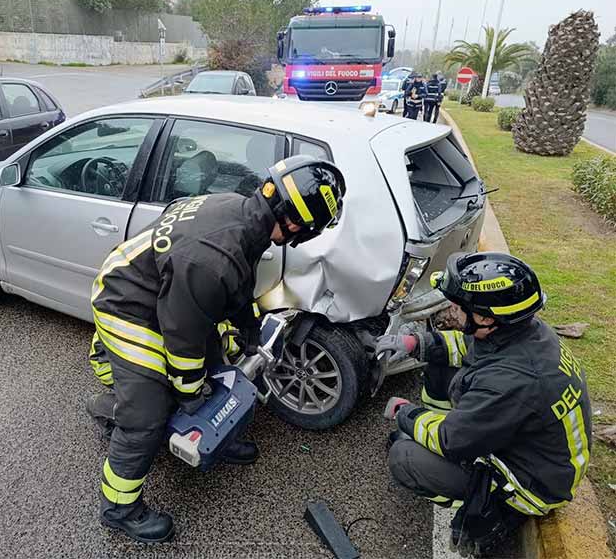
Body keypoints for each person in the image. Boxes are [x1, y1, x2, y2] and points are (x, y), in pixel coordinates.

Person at [86, 155, 346, 544]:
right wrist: (190, 393)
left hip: (167, 292)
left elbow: (235, 282)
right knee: (150, 412)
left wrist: (249, 328)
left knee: (216, 366)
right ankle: (119, 507)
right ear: (295, 225)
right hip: (127, 304)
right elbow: (183, 336)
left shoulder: (243, 214)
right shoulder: (211, 260)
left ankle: (217, 437)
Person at [377, 252, 591, 556]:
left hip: (532, 483)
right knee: (438, 364)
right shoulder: (521, 332)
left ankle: (495, 508)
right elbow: (470, 347)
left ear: (487, 318)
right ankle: (461, 446)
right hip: (537, 450)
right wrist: (418, 344)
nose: (452, 308)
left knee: (403, 457)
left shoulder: (510, 383)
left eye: (459, 305)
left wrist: (406, 414)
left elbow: (449, 439)